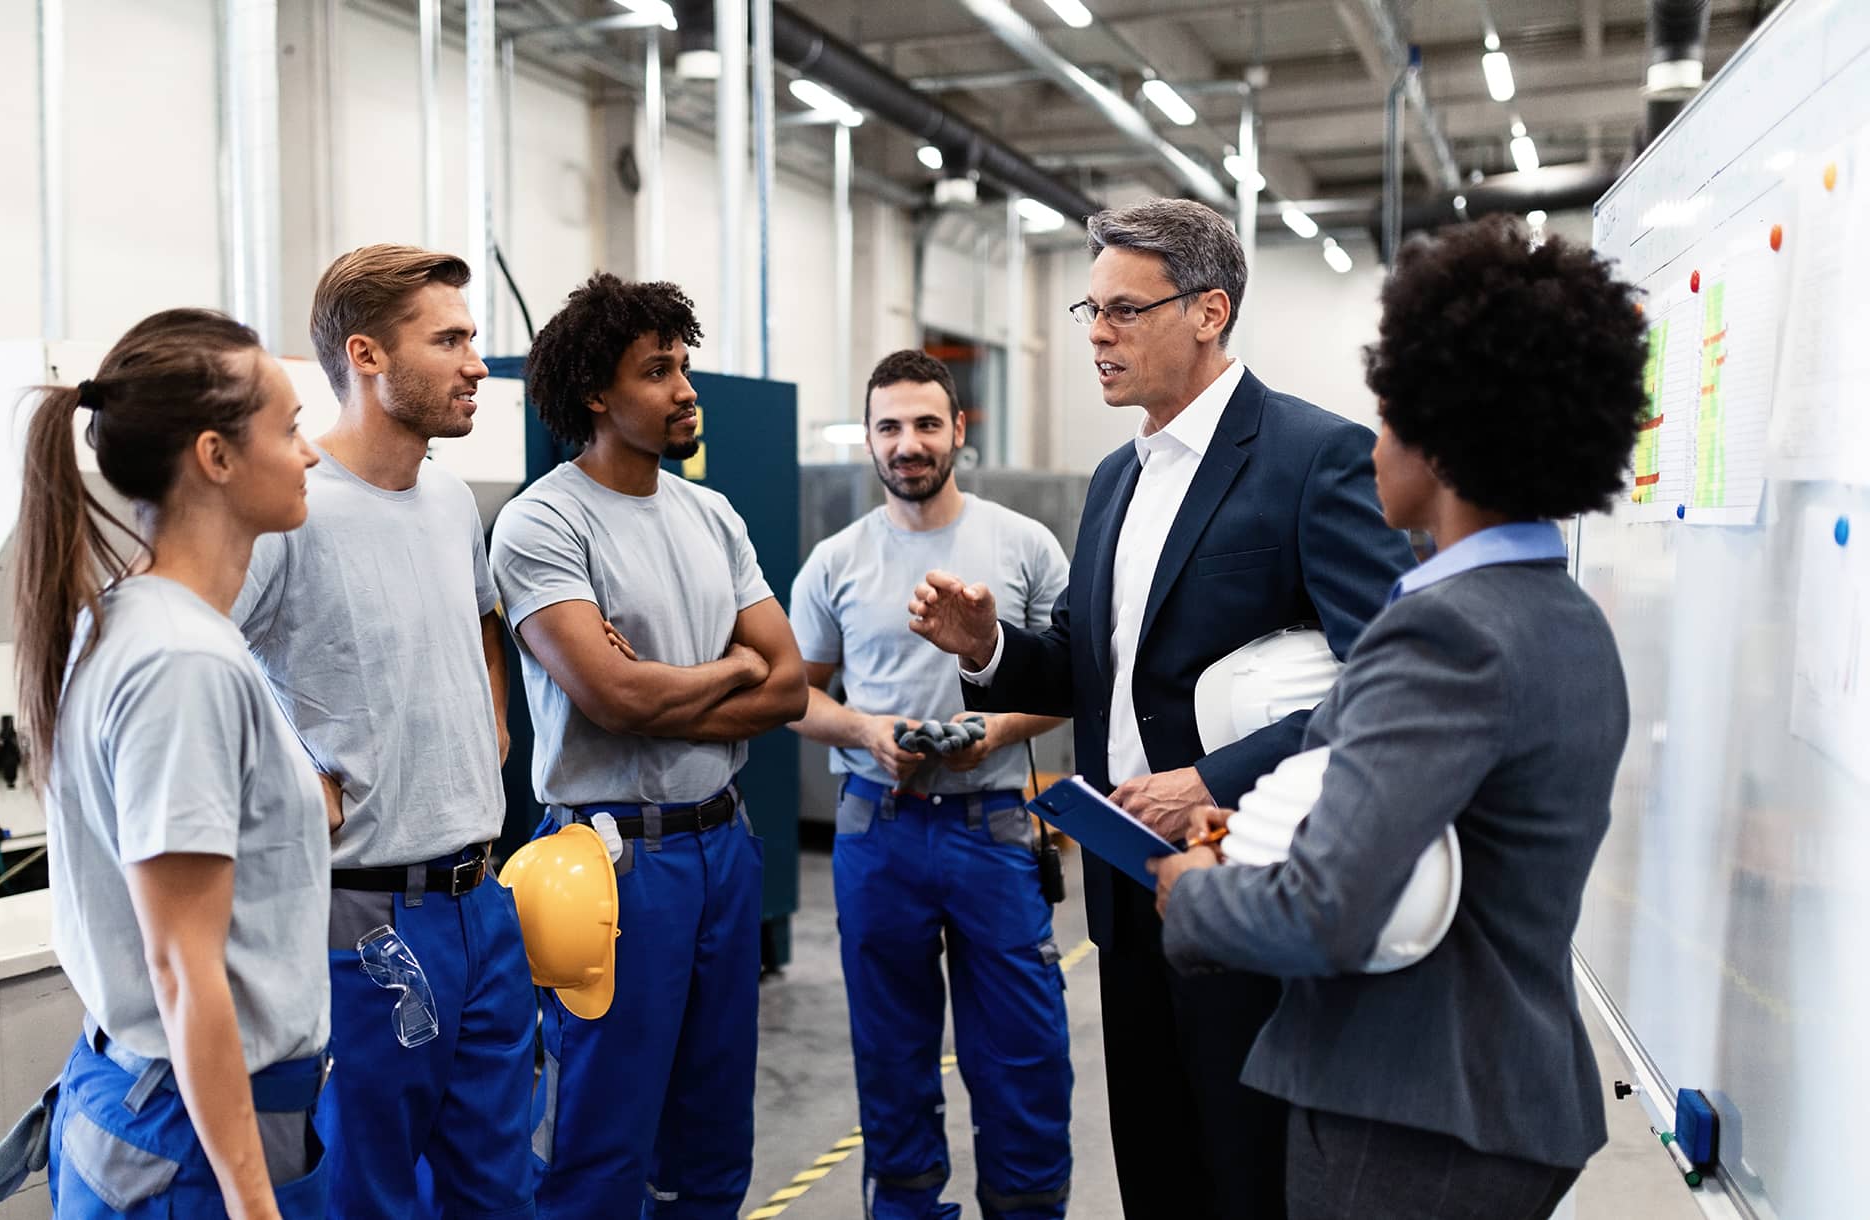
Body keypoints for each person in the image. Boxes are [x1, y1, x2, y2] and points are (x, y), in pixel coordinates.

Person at [908, 198, 1415, 1217]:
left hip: (1251, 876)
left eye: (1123, 311)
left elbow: (1394, 684)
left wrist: (1213, 782)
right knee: (1156, 1159)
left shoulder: (1314, 458)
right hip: (1126, 889)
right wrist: (992, 648)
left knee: (1250, 1166)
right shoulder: (1114, 480)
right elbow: (1099, 673)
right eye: (1088, 309)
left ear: (1209, 311)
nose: (1096, 334)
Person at [1150, 216, 1645, 1220]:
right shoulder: (1568, 618)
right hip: (1494, 1099)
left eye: (1386, 416)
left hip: (1414, 1111)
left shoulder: (1446, 635)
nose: (1370, 445)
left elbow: (1325, 911)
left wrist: (1190, 890)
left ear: (1445, 434)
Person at [490, 272, 808, 1219]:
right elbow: (614, 696)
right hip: (613, 865)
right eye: (657, 370)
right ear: (597, 394)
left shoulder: (709, 515)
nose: (684, 390)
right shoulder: (543, 521)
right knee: (601, 1138)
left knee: (715, 1132)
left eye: (683, 366)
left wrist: (669, 687)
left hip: (723, 845)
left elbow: (788, 682)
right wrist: (725, 671)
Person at [230, 245, 536, 1218]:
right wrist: (294, 773)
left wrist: (489, 717)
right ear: (366, 355)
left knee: (499, 1186)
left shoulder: (451, 501)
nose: (477, 363)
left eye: (472, 338)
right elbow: (212, 664)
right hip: (357, 918)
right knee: (369, 1194)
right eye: (449, 340)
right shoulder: (291, 509)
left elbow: (483, 618)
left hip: (481, 901)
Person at [18, 310, 331, 1216]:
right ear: (216, 458)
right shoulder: (181, 663)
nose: (308, 454)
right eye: (289, 427)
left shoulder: (143, 624)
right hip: (192, 1145)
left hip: (177, 1109)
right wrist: (251, 1200)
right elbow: (182, 967)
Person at [788, 350, 1075, 1220]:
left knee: (1024, 1055)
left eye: (924, 424)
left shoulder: (1024, 544)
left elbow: (1071, 677)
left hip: (993, 828)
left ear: (958, 430)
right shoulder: (835, 561)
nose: (907, 444)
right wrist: (865, 731)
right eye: (889, 427)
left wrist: (994, 727)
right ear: (870, 440)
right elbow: (790, 691)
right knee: (892, 1058)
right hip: (880, 829)